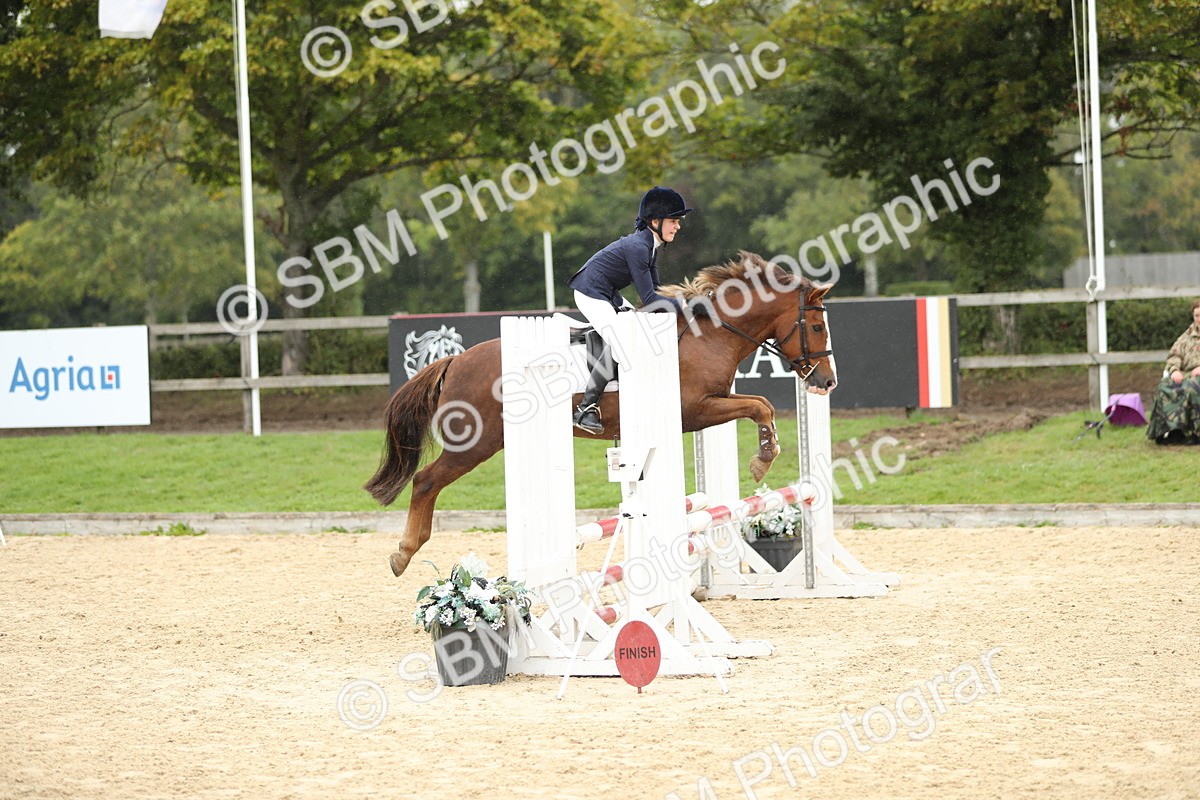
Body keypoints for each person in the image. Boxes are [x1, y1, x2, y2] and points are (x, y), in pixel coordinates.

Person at [566, 186, 692, 434]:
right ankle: (585, 409)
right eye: (673, 221)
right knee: (624, 340)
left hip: (608, 294)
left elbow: (657, 293)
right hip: (590, 293)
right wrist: (687, 305)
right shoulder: (638, 247)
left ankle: (594, 337)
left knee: (635, 327)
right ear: (655, 221)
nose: (678, 226)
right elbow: (649, 298)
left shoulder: (650, 246)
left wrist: (685, 299)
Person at [1147, 298, 1200, 444]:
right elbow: (1174, 355)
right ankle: (1173, 431)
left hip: (1197, 377)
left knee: (1193, 387)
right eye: (1196, 316)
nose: (1199, 319)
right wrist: (1175, 370)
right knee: (1165, 386)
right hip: (1186, 374)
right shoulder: (1186, 337)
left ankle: (1197, 433)